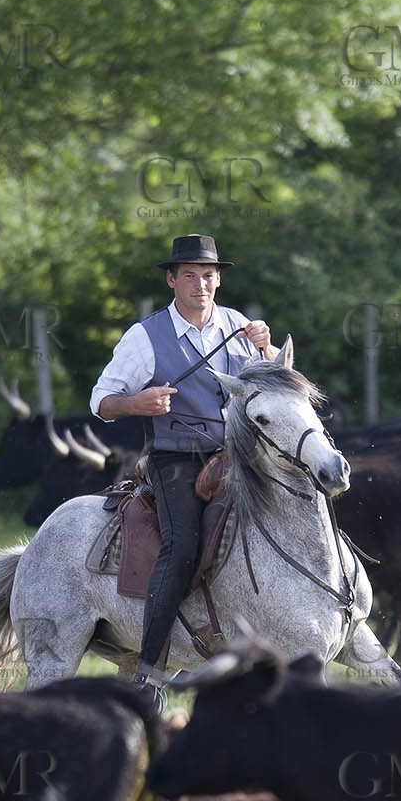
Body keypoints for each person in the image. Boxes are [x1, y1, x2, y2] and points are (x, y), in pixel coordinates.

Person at [90, 234, 275, 706]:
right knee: (183, 543)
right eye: (189, 275)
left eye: (209, 274)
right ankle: (149, 671)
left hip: (240, 456)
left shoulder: (239, 326)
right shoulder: (144, 336)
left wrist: (268, 350)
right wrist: (136, 403)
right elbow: (100, 402)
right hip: (177, 458)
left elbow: (276, 388)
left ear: (219, 279)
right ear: (172, 280)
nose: (201, 283)